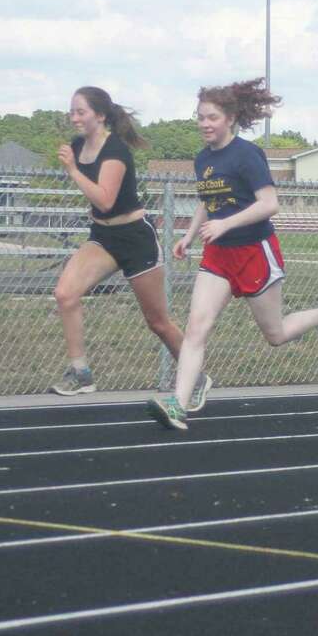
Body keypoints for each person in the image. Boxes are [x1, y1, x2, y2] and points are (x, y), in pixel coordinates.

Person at [146, 78, 318, 430]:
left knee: (276, 335)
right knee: (196, 328)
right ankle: (178, 403)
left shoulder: (247, 155)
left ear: (230, 119)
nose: (204, 124)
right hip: (218, 256)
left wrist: (227, 224)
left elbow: (270, 204)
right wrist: (189, 235)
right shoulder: (203, 159)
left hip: (255, 252)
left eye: (211, 117)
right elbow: (209, 204)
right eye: (200, 117)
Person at [50, 87, 208, 409]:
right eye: (72, 112)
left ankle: (198, 377)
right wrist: (75, 167)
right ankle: (81, 372)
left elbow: (105, 199)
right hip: (103, 237)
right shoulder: (79, 145)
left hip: (135, 238)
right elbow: (100, 208)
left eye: (80, 112)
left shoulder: (116, 151)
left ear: (100, 116)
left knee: (158, 322)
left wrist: (72, 171)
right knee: (65, 294)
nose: (74, 118)